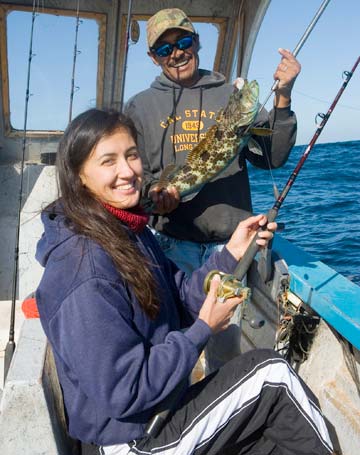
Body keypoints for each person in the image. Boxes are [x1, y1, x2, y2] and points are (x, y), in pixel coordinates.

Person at [35, 108, 334, 454]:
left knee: (267, 434)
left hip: (158, 411)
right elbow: (125, 392)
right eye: (108, 161)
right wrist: (203, 328)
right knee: (272, 375)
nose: (127, 171)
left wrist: (233, 251)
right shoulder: (83, 271)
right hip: (130, 439)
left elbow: (181, 297)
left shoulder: (127, 231)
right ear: (79, 177)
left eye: (131, 155)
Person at [124, 8, 301, 274]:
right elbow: (135, 175)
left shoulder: (231, 95)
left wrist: (283, 96)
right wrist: (153, 193)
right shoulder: (139, 107)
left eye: (184, 43)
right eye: (164, 49)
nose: (177, 54)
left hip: (233, 243)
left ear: (196, 41)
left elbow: (272, 158)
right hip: (172, 245)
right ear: (153, 58)